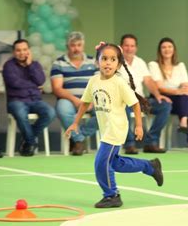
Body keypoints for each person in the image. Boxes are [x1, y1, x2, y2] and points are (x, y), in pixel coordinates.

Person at [65, 42, 163, 208]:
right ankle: (150, 166)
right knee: (115, 163)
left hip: (116, 130)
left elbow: (135, 104)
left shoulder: (119, 83)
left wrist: (138, 126)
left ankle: (112, 195)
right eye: (104, 58)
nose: (108, 62)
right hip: (106, 130)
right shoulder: (94, 81)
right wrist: (75, 123)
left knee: (101, 163)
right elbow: (84, 102)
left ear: (118, 64)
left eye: (112, 59)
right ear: (98, 62)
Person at [118, 34, 172, 154]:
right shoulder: (116, 61)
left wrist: (158, 95)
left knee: (164, 105)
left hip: (140, 99)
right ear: (121, 47)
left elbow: (148, 81)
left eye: (132, 46)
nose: (129, 48)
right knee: (122, 110)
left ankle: (151, 142)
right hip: (123, 100)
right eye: (126, 45)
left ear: (136, 48)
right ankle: (130, 144)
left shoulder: (140, 62)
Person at [2, 39, 56, 156]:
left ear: (29, 51)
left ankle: (27, 139)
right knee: (21, 113)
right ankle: (31, 141)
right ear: (14, 52)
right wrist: (35, 86)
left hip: (35, 101)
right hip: (16, 101)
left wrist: (30, 65)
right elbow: (15, 84)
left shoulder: (35, 65)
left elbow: (41, 80)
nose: (22, 53)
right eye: (18, 50)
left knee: (50, 112)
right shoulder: (8, 66)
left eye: (25, 50)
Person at [148, 37, 188, 152]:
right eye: (164, 47)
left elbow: (185, 84)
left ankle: (184, 121)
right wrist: (178, 91)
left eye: (169, 47)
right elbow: (159, 87)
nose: (167, 49)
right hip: (161, 98)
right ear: (160, 50)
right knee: (187, 100)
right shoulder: (153, 65)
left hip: (179, 101)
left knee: (186, 96)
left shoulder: (180, 65)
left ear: (174, 50)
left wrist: (183, 90)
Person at [50, 31, 98, 155]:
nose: (76, 48)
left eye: (79, 45)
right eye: (73, 45)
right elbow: (57, 88)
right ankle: (79, 140)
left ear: (83, 46)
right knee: (62, 108)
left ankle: (79, 136)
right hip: (69, 99)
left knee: (106, 110)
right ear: (67, 46)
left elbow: (99, 84)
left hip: (92, 98)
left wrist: (92, 99)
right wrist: (74, 99)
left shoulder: (94, 62)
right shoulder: (59, 63)